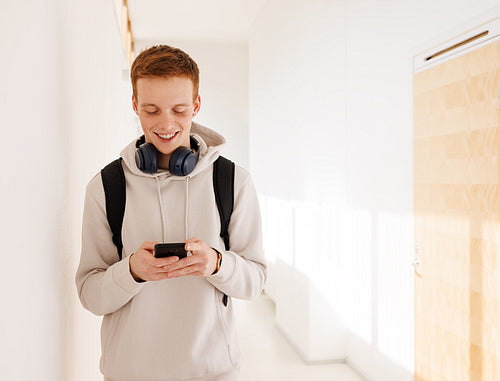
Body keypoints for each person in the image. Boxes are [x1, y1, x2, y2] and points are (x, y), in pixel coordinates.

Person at [75, 45, 267, 381]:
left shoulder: (233, 181)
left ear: (196, 105)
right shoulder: (105, 187)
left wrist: (217, 264)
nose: (166, 123)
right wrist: (131, 271)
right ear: (134, 105)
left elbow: (255, 282)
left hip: (215, 373)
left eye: (179, 109)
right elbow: (90, 294)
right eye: (151, 110)